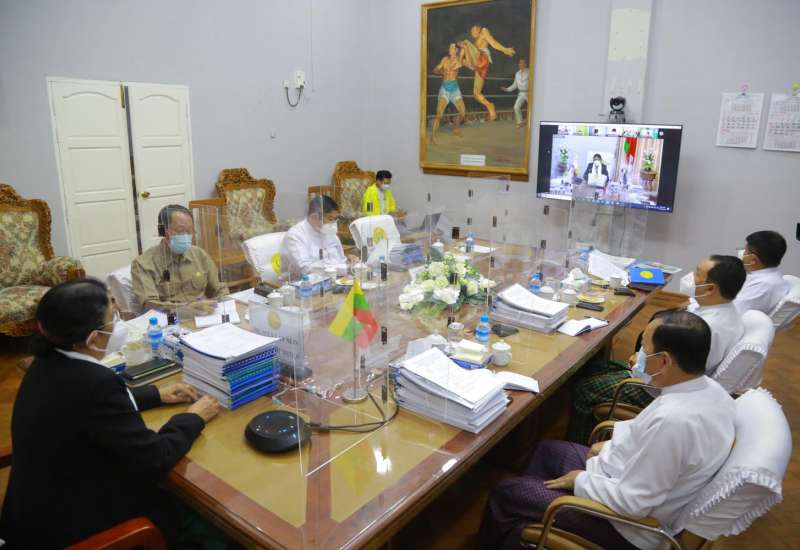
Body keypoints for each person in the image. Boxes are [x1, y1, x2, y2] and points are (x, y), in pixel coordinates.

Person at [478, 311, 735, 550]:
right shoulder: (710, 391)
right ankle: (526, 528)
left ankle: (522, 520)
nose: (638, 355)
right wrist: (610, 445)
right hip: (621, 478)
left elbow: (634, 504)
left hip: (626, 527)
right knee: (547, 451)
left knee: (507, 493)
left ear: (665, 360)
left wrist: (580, 481)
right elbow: (644, 434)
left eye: (645, 349)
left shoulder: (674, 422)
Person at [0, 279, 221, 548]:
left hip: (32, 516)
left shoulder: (44, 361)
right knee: (200, 513)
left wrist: (155, 394)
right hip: (79, 528)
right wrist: (193, 417)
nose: (119, 322)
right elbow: (155, 457)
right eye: (112, 317)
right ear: (93, 339)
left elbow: (84, 409)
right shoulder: (96, 383)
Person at [566, 254, 746, 444]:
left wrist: (640, 364)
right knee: (593, 366)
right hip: (657, 372)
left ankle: (578, 445)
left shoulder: (710, 326)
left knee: (585, 390)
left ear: (710, 288)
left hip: (655, 387)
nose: (691, 277)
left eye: (697, 274)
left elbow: (678, 372)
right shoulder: (723, 312)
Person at [132, 204, 229, 311]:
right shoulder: (143, 264)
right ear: (163, 231)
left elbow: (219, 289)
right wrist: (185, 309)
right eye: (180, 230)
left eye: (189, 231)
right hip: (169, 318)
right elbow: (149, 305)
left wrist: (224, 303)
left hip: (204, 315)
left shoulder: (199, 255)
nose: (186, 235)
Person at [280, 195, 357, 279]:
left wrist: (348, 261)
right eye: (330, 219)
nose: (333, 223)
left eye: (335, 219)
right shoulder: (295, 236)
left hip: (334, 279)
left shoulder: (328, 232)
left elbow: (339, 260)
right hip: (301, 284)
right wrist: (346, 269)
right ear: (315, 217)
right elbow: (305, 269)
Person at [459, 25, 516, 121]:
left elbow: (493, 43)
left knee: (466, 43)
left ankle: (460, 60)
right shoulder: (476, 42)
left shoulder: (484, 31)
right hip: (478, 66)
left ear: (478, 28)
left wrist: (504, 49)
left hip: (482, 59)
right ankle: (490, 107)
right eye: (471, 31)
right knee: (476, 93)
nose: (472, 33)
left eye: (473, 30)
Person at [734, 230, 790, 315]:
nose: (742, 253)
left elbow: (733, 313)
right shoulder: (766, 275)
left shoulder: (762, 286)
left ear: (753, 259)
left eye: (745, 250)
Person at [430, 43, 468, 144]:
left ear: (456, 50)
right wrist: (440, 71)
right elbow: (435, 70)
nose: (450, 49)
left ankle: (456, 129)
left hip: (455, 89)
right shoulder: (445, 59)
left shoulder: (459, 60)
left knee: (463, 113)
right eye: (450, 47)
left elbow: (465, 55)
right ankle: (432, 137)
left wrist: (464, 48)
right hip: (445, 89)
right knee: (439, 114)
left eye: (452, 48)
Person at [502, 58, 529, 127]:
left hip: (529, 93)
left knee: (532, 108)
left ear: (525, 64)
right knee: (516, 107)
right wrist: (507, 89)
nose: (520, 64)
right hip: (521, 93)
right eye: (519, 63)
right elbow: (515, 85)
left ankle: (533, 123)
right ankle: (520, 123)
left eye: (522, 63)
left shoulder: (529, 72)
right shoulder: (517, 73)